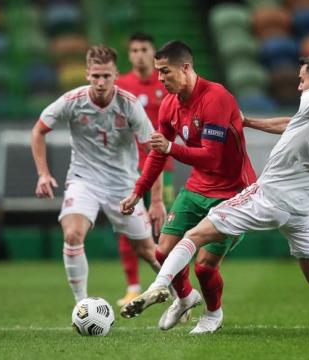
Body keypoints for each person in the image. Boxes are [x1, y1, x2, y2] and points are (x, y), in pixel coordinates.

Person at [121, 53, 309, 335]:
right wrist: (249, 122)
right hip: (302, 208)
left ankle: (159, 286)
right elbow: (293, 125)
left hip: (271, 196)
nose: (298, 84)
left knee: (194, 236)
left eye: (302, 78)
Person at [119, 40, 259, 334]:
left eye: (165, 71)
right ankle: (184, 298)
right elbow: (157, 153)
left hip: (233, 193)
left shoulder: (216, 98)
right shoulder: (170, 104)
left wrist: (170, 147)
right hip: (197, 188)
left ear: (186, 68)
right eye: (158, 72)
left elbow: (211, 155)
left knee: (204, 267)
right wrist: (137, 191)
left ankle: (213, 314)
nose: (160, 78)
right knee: (162, 252)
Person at [30, 45, 161, 303]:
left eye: (107, 76)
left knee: (147, 250)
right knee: (72, 234)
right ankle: (81, 305)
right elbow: (38, 131)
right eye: (96, 76)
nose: (101, 82)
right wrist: (43, 174)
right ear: (87, 74)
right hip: (84, 180)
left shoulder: (130, 105)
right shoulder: (72, 101)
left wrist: (156, 200)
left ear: (115, 74)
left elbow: (154, 151)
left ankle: (184, 296)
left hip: (123, 185)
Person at [114, 32, 172, 307]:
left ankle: (169, 285)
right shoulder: (121, 85)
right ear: (129, 54)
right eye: (134, 49)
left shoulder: (167, 83)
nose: (139, 54)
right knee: (128, 226)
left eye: (143, 49)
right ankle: (133, 286)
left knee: (165, 228)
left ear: (153, 52)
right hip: (128, 168)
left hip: (163, 167)